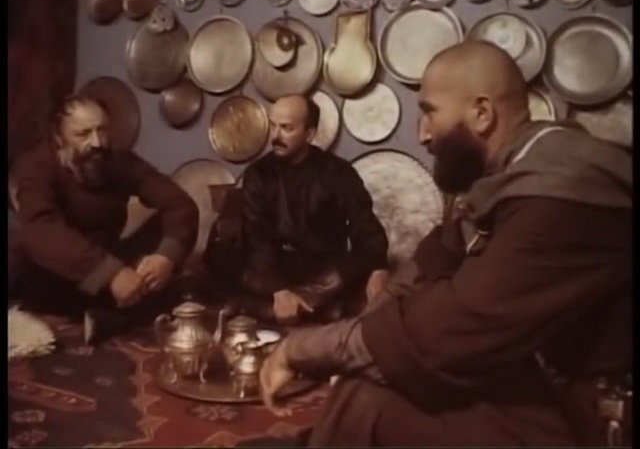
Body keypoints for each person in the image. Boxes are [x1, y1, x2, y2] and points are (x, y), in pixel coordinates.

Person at [258, 42, 632, 446]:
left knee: (367, 399)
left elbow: (451, 328)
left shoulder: (561, 192)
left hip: (591, 418)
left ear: (482, 113)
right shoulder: (511, 172)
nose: (422, 134)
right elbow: (427, 265)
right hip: (539, 385)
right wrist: (346, 346)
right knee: (366, 380)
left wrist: (302, 349)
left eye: (430, 112)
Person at [11, 95, 199, 341]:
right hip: (58, 272)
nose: (97, 142)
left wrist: (166, 257)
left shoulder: (119, 161)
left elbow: (179, 204)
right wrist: (109, 273)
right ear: (59, 137)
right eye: (83, 134)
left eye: (102, 130)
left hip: (109, 261)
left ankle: (107, 316)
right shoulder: (35, 166)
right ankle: (106, 317)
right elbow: (43, 230)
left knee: (167, 245)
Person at [231, 94, 389, 324]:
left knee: (356, 265)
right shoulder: (259, 174)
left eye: (286, 128)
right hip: (274, 267)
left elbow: (364, 224)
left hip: (323, 270)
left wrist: (378, 267)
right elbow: (257, 236)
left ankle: (298, 305)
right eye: (273, 126)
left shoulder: (337, 172)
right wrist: (279, 289)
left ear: (309, 134)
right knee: (228, 258)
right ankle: (309, 307)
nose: (275, 136)